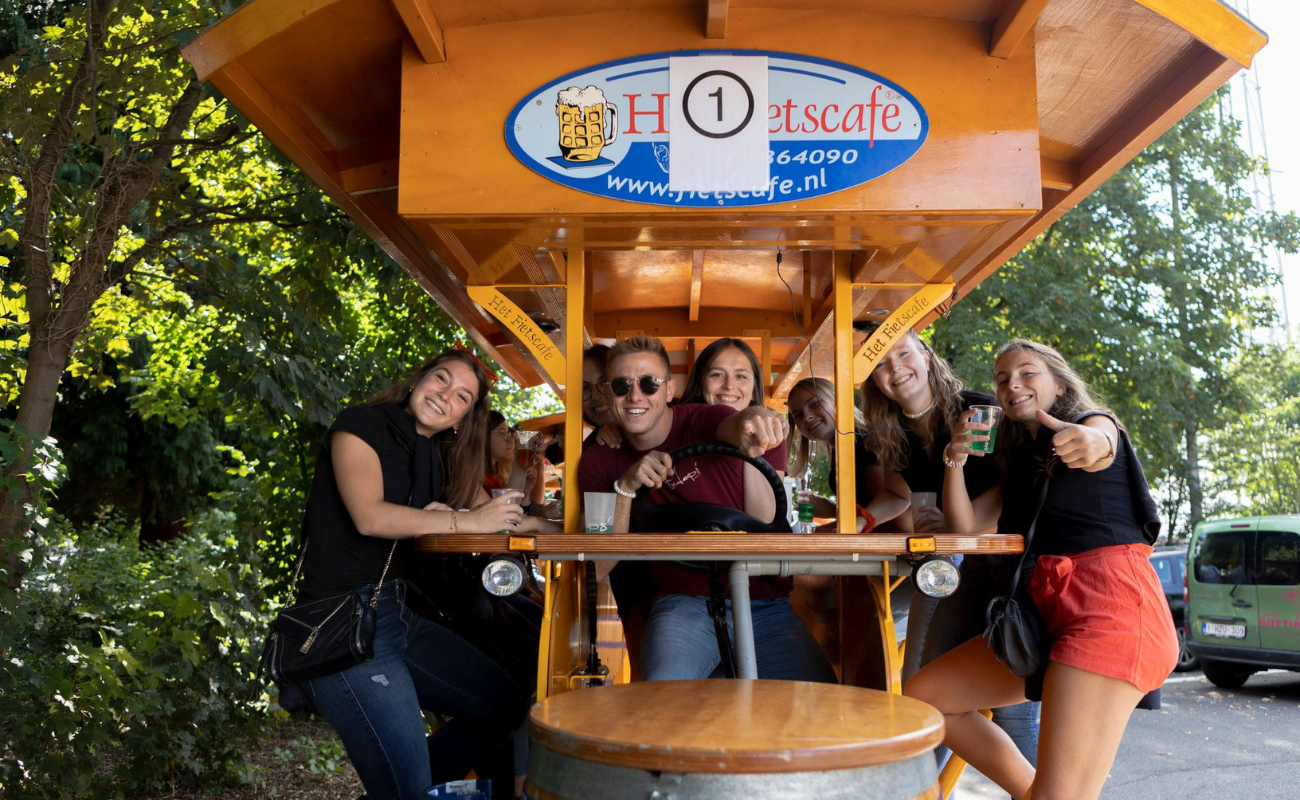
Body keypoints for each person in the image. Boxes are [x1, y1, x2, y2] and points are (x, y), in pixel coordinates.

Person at [904, 340, 1177, 800]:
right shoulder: (1027, 469)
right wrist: (955, 457)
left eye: (1028, 373)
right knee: (927, 695)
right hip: (1044, 614)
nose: (1013, 384)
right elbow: (965, 526)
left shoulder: (1090, 426)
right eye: (1002, 379)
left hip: (1110, 611)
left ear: (1059, 381)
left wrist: (1090, 440)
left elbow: (1102, 441)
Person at [297, 348, 542, 800]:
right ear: (418, 381)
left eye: (462, 396)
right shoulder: (360, 424)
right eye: (441, 379)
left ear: (461, 419)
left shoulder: (429, 453)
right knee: (408, 789)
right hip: (342, 622)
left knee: (505, 704)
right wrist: (463, 521)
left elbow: (438, 527)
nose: (445, 394)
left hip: (393, 615)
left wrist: (539, 524)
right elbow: (370, 517)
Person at [578, 336, 838, 683]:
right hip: (680, 604)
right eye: (622, 385)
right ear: (609, 393)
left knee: (822, 703)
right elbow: (595, 567)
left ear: (669, 389)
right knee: (661, 692)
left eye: (649, 383)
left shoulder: (705, 419)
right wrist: (625, 487)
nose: (636, 395)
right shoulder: (599, 456)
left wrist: (755, 424)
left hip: (764, 604)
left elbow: (736, 423)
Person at [860, 329, 1041, 766]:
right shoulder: (892, 431)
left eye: (903, 353)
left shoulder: (980, 411)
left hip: (1003, 568)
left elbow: (1015, 485)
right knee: (930, 696)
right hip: (957, 563)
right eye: (880, 364)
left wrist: (963, 522)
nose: (895, 368)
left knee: (984, 708)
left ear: (925, 355)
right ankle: (923, 790)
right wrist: (858, 520)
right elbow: (900, 494)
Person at [785, 376, 909, 531]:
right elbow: (868, 514)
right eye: (798, 415)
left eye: (814, 404)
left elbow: (896, 520)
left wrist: (831, 515)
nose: (807, 416)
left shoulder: (867, 443)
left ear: (837, 400)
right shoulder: (843, 449)